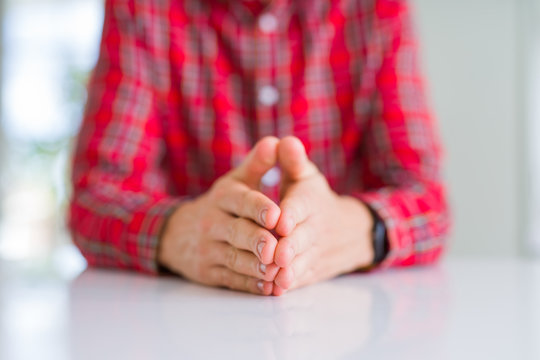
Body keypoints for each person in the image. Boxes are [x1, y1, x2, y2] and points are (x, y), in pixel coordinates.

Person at [69, 0, 451, 296]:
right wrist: (182, 233)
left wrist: (345, 231)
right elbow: (94, 200)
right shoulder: (143, 8)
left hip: (342, 322)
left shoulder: (376, 8)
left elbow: (428, 202)